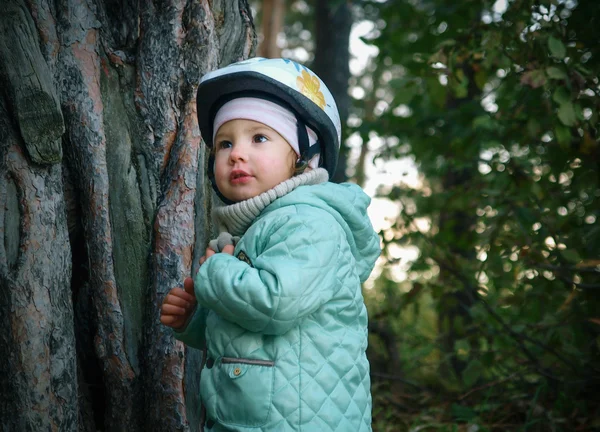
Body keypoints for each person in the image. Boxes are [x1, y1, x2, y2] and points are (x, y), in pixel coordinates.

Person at [160, 57, 380, 431]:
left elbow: (276, 303)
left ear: (304, 156)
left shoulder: (309, 222)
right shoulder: (259, 228)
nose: (236, 153)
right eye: (224, 143)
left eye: (259, 137)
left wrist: (217, 272)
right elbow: (249, 337)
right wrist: (197, 319)